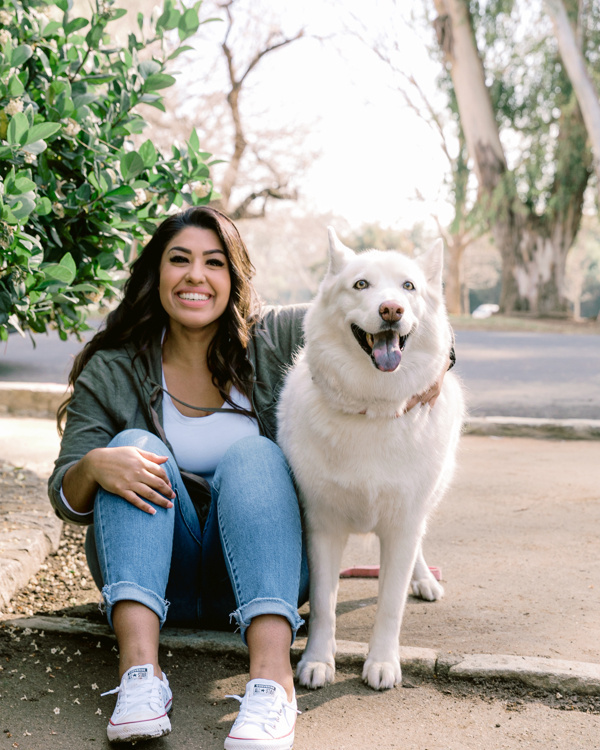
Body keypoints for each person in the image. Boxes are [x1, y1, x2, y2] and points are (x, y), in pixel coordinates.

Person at [48, 205, 448, 748]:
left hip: (265, 579)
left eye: (214, 262)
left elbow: (376, 310)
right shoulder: (114, 367)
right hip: (158, 579)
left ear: (233, 277)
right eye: (179, 260)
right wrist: (94, 466)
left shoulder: (272, 336)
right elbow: (65, 496)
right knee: (131, 448)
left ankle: (272, 681)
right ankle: (139, 678)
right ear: (155, 273)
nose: (196, 275)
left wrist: (437, 365)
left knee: (254, 455)